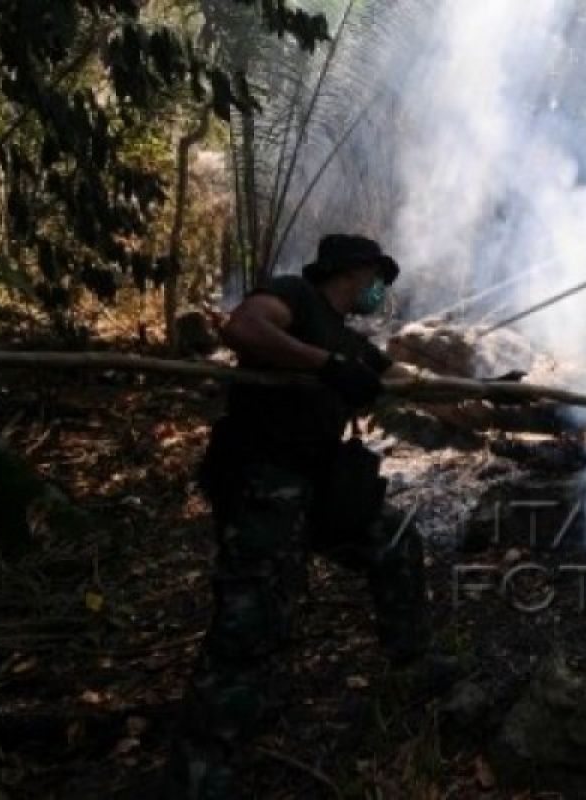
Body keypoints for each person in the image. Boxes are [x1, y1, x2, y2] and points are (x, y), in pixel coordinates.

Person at [165, 234, 435, 799]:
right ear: (352, 272)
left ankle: (414, 668)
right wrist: (327, 365)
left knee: (395, 543)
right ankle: (200, 771)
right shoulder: (296, 297)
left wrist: (489, 393)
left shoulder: (351, 340)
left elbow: (400, 381)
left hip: (322, 488)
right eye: (376, 277)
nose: (381, 290)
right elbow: (241, 328)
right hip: (264, 484)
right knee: (250, 621)